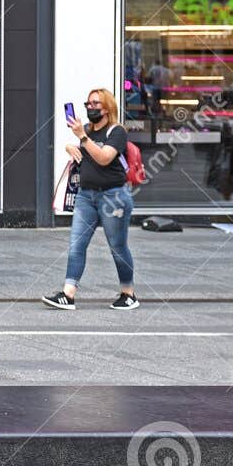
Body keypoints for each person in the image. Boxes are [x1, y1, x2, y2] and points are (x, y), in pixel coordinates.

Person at [43, 88, 139, 310]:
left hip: (113, 196)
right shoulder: (86, 130)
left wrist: (82, 138)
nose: (90, 107)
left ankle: (128, 293)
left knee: (117, 246)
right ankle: (68, 294)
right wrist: (70, 146)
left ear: (107, 108)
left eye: (95, 103)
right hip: (86, 196)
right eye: (88, 103)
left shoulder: (117, 132)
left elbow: (104, 158)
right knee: (77, 244)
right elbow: (82, 149)